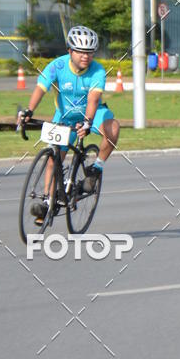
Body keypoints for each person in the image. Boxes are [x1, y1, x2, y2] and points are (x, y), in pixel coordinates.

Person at [18, 25, 120, 224]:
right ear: (70, 51)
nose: (85, 56)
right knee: (53, 158)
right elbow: (41, 88)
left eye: (90, 52)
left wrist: (88, 122)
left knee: (113, 129)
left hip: (93, 113)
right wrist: (29, 111)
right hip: (65, 116)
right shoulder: (57, 66)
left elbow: (93, 99)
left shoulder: (98, 71)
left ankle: (96, 169)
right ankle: (47, 202)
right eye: (81, 51)